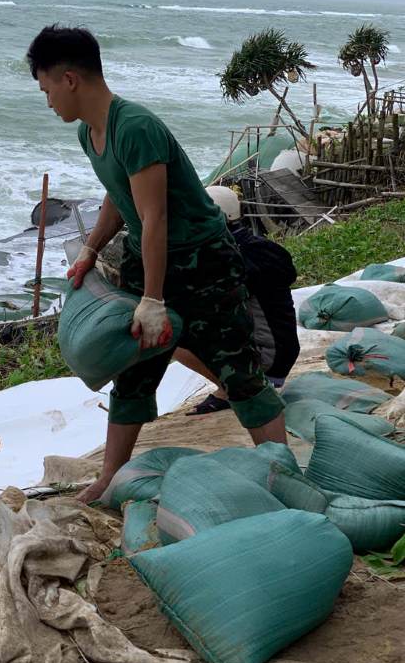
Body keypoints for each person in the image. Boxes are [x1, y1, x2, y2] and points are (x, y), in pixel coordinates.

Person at [27, 25, 287, 504]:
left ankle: (283, 472)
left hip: (203, 261)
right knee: (134, 370)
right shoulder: (92, 132)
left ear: (69, 79)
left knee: (237, 369)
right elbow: (117, 195)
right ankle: (108, 478)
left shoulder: (136, 127)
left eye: (45, 90)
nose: (48, 103)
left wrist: (152, 298)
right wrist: (89, 249)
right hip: (150, 256)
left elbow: (155, 217)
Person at [178, 187, 300, 414]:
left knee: (172, 332)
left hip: (268, 359)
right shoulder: (258, 247)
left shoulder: (230, 258)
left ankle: (234, 387)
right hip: (284, 350)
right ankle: (240, 381)